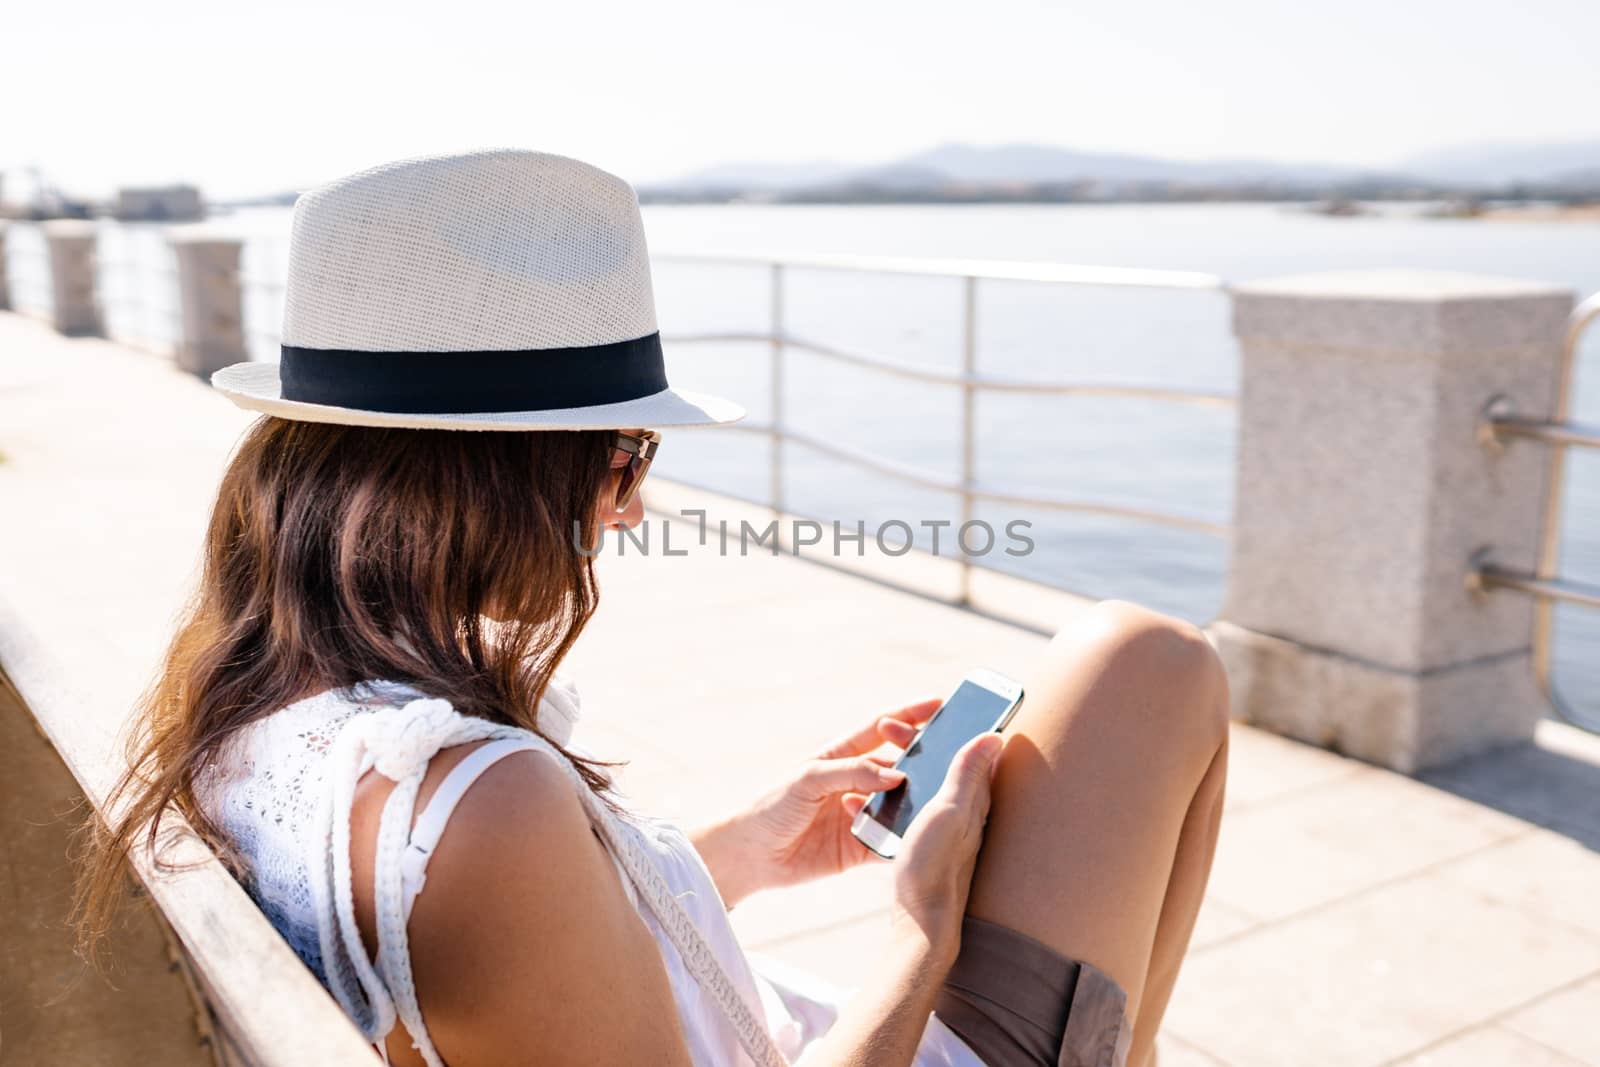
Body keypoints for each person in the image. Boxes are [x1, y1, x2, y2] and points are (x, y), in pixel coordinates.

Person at [78, 149, 1230, 1067]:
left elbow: (515, 974)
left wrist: (744, 848)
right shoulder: (474, 802)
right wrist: (917, 929)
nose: (629, 509)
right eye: (629, 455)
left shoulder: (253, 700)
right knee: (1153, 661)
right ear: (513, 471)